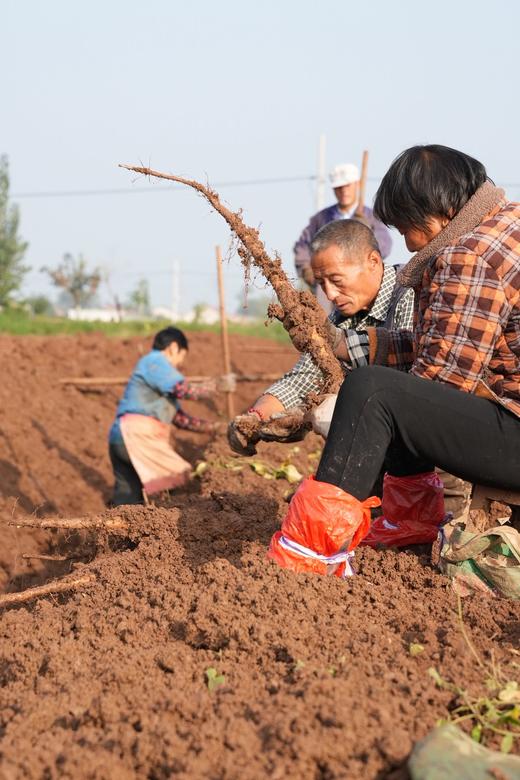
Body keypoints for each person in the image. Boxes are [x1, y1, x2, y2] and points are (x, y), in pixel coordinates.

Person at [270, 144, 520, 574]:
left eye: (406, 228)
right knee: (390, 387)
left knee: (373, 390)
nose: (404, 242)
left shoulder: (470, 255)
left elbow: (437, 387)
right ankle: (409, 523)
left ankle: (311, 553)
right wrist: (348, 345)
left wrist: (358, 410)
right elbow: (440, 344)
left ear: (439, 212)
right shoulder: (507, 223)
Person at [228, 219, 414, 452]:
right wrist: (255, 418)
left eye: (336, 281)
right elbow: (303, 378)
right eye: (321, 283)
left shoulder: (411, 293)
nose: (330, 294)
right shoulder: (341, 318)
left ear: (373, 262)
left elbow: (409, 381)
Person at [108, 326, 222, 506]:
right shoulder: (156, 361)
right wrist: (217, 386)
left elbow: (181, 420)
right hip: (136, 437)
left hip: (119, 438)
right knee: (181, 476)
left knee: (127, 500)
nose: (179, 365)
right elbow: (183, 390)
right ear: (174, 348)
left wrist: (216, 428)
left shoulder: (158, 380)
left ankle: (120, 531)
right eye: (181, 357)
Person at [294, 162, 393, 307]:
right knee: (326, 323)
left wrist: (365, 232)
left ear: (357, 185)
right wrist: (307, 270)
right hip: (328, 289)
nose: (344, 191)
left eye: (347, 186)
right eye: (339, 188)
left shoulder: (371, 217)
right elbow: (302, 246)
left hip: (360, 281)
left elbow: (385, 245)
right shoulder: (321, 218)